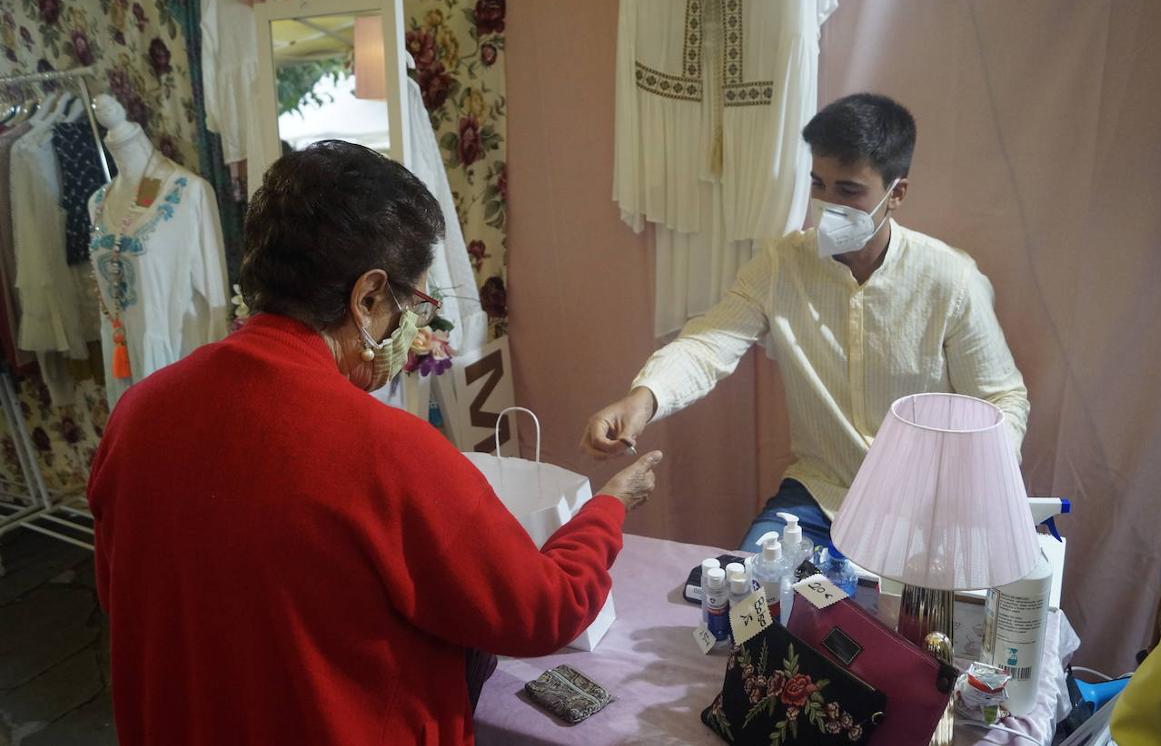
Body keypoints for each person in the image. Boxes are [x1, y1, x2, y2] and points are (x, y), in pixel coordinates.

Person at [88, 140, 663, 746]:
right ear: (366, 299)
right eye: (412, 304)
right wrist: (610, 505)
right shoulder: (387, 453)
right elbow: (546, 608)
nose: (412, 328)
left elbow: (124, 596)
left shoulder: (137, 416)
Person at [582, 93, 1027, 552]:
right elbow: (709, 343)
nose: (828, 204)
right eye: (819, 184)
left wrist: (975, 490)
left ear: (897, 193)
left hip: (925, 509)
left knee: (909, 624)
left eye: (849, 190)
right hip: (819, 498)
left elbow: (1001, 398)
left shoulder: (951, 281)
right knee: (751, 611)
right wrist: (643, 398)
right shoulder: (783, 265)